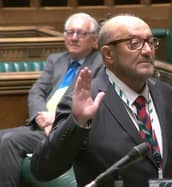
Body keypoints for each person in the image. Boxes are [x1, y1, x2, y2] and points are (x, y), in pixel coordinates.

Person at [31, 14, 172, 187]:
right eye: (134, 43)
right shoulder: (85, 102)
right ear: (108, 54)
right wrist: (77, 122)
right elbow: (43, 170)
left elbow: (166, 163)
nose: (147, 51)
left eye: (150, 42)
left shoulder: (165, 94)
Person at [0, 12, 103, 187]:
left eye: (81, 33)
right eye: (70, 32)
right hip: (42, 126)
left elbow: (89, 99)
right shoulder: (56, 60)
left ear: (94, 39)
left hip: (67, 130)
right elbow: (36, 92)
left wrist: (56, 118)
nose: (74, 38)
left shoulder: (100, 63)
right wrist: (42, 117)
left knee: (9, 141)